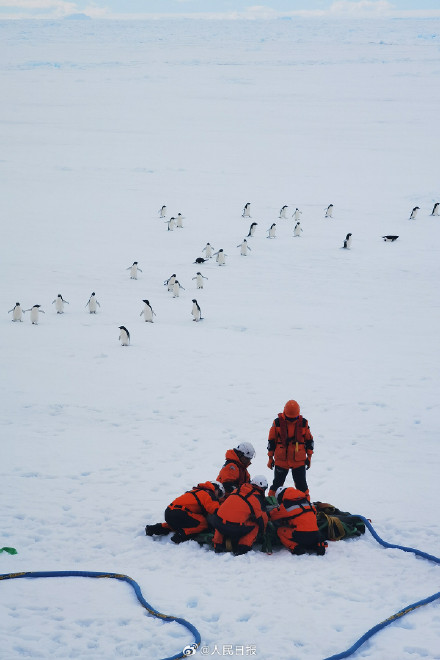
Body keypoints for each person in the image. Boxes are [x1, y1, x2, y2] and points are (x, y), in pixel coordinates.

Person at [145, 481, 225, 544]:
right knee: (202, 522)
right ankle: (181, 536)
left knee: (179, 525)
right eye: (220, 494)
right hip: (181, 513)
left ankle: (154, 529)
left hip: (169, 512)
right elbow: (215, 510)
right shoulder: (209, 494)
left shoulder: (195, 491)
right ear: (216, 488)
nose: (218, 497)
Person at [210, 475, 268, 555]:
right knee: (255, 524)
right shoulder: (255, 498)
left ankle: (218, 544)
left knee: (222, 518)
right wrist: (263, 532)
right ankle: (243, 547)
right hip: (234, 528)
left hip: (218, 523)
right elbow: (262, 519)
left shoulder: (237, 490)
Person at [267, 400, 314, 498]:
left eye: (294, 419)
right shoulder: (277, 423)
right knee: (276, 485)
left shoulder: (304, 423)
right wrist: (270, 458)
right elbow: (271, 441)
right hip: (281, 460)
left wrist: (309, 457)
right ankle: (271, 504)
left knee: (302, 486)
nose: (292, 421)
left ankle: (306, 505)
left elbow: (309, 441)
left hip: (299, 460)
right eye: (289, 418)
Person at [270, 487, 325, 555]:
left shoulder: (286, 506)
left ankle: (296, 548)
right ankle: (319, 546)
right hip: (315, 535)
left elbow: (272, 516)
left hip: (301, 536)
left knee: (280, 531)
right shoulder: (308, 502)